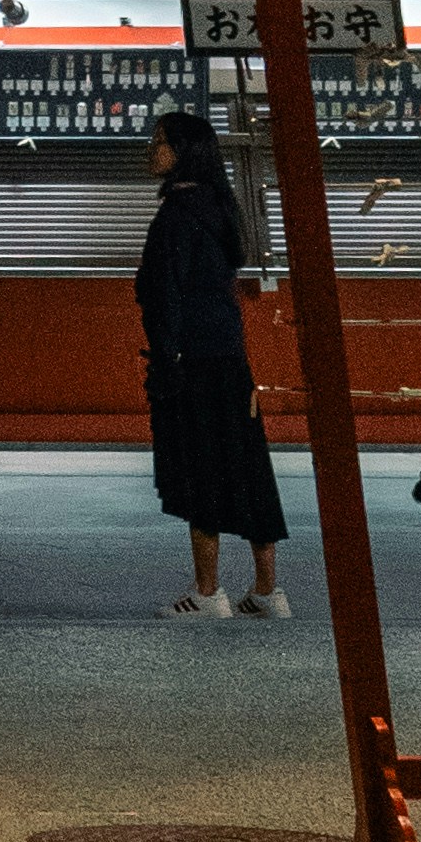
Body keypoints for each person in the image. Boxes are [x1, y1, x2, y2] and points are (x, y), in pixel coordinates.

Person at [138, 109, 288, 618]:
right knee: (247, 468)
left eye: (162, 142)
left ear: (185, 153)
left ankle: (208, 593)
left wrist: (164, 361)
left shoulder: (175, 216)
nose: (152, 150)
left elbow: (164, 297)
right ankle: (268, 592)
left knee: (199, 469)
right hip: (231, 358)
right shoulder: (222, 208)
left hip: (191, 362)